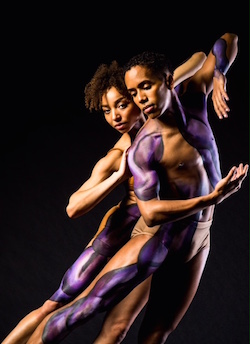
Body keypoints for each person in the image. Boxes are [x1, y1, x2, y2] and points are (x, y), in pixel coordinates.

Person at [24, 32, 248, 344]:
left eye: (146, 86)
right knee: (86, 308)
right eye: (134, 92)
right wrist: (212, 197)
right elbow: (151, 213)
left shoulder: (195, 95)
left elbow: (227, 40)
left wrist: (220, 73)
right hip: (159, 241)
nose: (140, 98)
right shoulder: (147, 145)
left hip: (197, 243)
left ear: (169, 81)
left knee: (157, 333)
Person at [2, 53, 206, 344]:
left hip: (154, 237)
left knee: (118, 325)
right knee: (59, 304)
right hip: (122, 229)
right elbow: (73, 207)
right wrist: (117, 177)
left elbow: (198, 58)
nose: (115, 117)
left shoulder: (159, 113)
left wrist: (206, 77)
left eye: (122, 104)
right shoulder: (119, 152)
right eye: (107, 111)